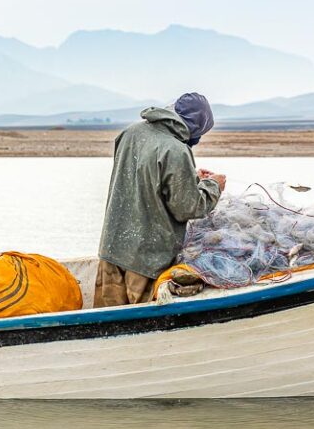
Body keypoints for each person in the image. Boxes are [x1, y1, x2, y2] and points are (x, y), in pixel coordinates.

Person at [94, 93, 226, 308]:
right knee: (141, 327)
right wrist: (213, 186)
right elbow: (188, 208)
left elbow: (142, 179)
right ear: (198, 127)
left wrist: (191, 179)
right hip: (146, 262)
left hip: (111, 252)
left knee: (108, 325)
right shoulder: (176, 149)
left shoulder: (130, 132)